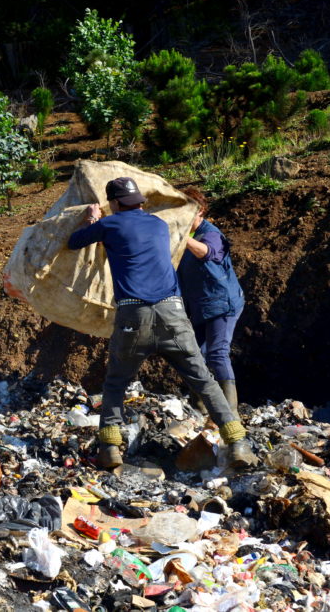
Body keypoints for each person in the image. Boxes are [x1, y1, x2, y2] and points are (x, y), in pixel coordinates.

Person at [67, 177, 258, 470]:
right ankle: (238, 444)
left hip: (133, 316)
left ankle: (109, 449)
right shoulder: (159, 225)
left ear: (115, 204)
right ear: (139, 202)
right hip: (174, 314)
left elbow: (74, 241)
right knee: (205, 382)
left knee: (116, 383)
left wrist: (93, 221)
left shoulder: (109, 225)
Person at [177, 186, 245, 417]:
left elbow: (207, 252)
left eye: (189, 211)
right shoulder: (186, 238)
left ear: (201, 212)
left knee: (217, 352)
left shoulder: (211, 233)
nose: (184, 216)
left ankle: (230, 412)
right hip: (199, 306)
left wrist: (182, 237)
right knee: (195, 355)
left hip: (222, 304)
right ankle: (200, 406)